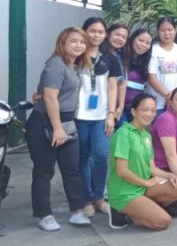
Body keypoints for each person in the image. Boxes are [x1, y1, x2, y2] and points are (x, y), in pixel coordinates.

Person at [27, 28, 92, 231]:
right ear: (62, 43)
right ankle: (44, 214)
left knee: (71, 169)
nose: (79, 45)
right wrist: (57, 129)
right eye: (73, 41)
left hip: (66, 121)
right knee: (44, 170)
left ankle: (77, 210)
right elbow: (49, 98)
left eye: (82, 42)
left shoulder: (73, 65)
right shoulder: (55, 64)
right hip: (46, 122)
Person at [106, 94, 177, 230]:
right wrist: (146, 182)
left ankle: (143, 208)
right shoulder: (123, 134)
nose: (149, 114)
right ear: (133, 111)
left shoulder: (147, 135)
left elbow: (152, 168)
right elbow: (122, 171)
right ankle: (120, 209)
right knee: (164, 222)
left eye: (153, 110)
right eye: (144, 110)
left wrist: (171, 176)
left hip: (143, 188)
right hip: (125, 192)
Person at [76, 17, 121, 218]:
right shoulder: (76, 54)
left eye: (100, 32)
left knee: (102, 154)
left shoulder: (109, 57)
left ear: (105, 35)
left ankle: (98, 197)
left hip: (101, 115)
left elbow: (113, 87)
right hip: (78, 115)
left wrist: (111, 114)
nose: (96, 35)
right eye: (92, 31)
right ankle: (85, 199)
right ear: (84, 31)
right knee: (83, 156)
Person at [147, 17, 177, 112]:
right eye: (163, 30)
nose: (167, 33)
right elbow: (151, 77)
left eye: (170, 30)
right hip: (157, 104)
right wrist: (169, 96)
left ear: (175, 30)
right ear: (158, 31)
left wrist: (176, 95)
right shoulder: (151, 50)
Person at [120, 29, 153, 127]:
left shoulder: (146, 61)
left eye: (147, 43)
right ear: (132, 39)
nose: (143, 45)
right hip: (120, 108)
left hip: (137, 108)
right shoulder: (120, 57)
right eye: (141, 40)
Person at [105, 22, 129, 124]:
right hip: (101, 107)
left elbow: (122, 82)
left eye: (124, 37)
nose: (120, 39)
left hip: (115, 107)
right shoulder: (100, 54)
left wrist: (121, 106)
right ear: (108, 34)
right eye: (117, 34)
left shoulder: (120, 57)